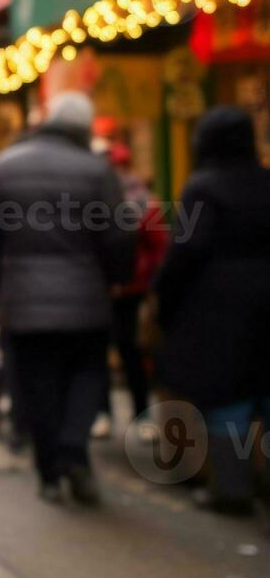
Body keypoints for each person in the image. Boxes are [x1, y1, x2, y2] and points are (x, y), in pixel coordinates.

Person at [0, 91, 135, 505]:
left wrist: (0, 282)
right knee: (87, 376)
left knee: (37, 386)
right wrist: (118, 278)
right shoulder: (96, 170)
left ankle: (49, 474)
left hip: (24, 302)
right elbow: (118, 236)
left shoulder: (6, 167)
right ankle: (73, 449)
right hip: (86, 300)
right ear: (84, 129)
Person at [154, 107, 270, 515]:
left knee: (227, 400)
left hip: (222, 310)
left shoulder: (203, 187)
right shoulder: (265, 181)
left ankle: (232, 488)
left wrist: (165, 303)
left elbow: (186, 251)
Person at [102, 142, 167, 426]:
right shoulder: (90, 198)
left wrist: (147, 280)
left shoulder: (142, 202)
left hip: (132, 291)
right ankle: (102, 413)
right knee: (97, 354)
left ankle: (141, 413)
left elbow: (158, 248)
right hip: (99, 288)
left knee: (132, 352)